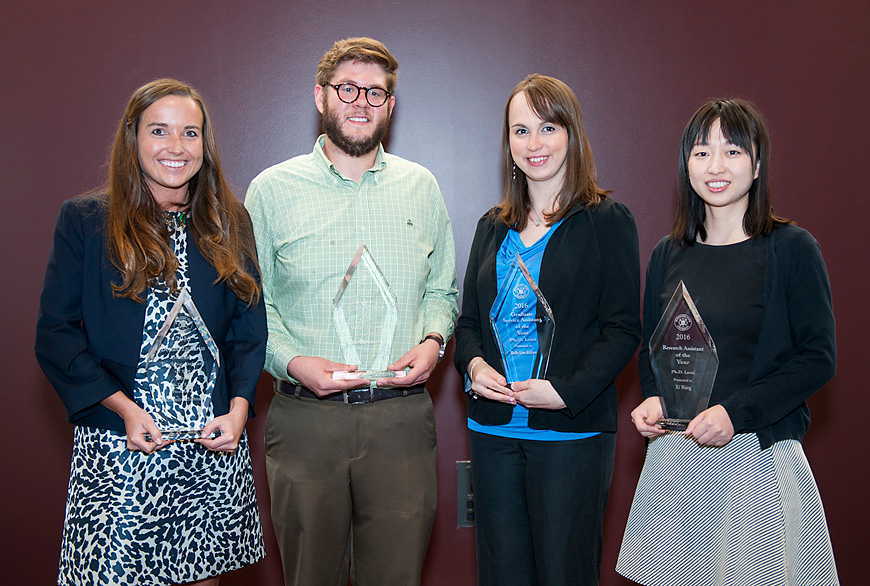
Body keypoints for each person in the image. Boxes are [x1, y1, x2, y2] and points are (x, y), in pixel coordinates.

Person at [35, 78, 266, 586]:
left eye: (190, 133)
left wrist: (239, 411)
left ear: (205, 145)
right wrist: (122, 408)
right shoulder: (87, 220)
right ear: (132, 138)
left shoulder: (231, 222)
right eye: (159, 131)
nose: (176, 147)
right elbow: (55, 334)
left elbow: (248, 332)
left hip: (211, 445)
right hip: (121, 442)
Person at [244, 37, 458, 586]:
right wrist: (292, 362)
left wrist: (433, 341)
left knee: (396, 576)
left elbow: (443, 291)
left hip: (400, 419)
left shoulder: (421, 187)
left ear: (390, 105)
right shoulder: (270, 191)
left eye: (375, 92)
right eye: (347, 89)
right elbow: (250, 307)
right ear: (321, 97)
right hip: (304, 422)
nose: (360, 102)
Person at [616, 99, 839, 585]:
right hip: (676, 459)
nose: (716, 166)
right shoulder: (667, 253)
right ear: (686, 165)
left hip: (757, 463)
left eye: (733, 151)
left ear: (757, 165)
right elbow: (652, 351)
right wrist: (653, 397)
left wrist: (737, 413)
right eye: (701, 152)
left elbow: (817, 360)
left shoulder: (791, 249)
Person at [453, 74, 641, 586]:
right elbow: (467, 321)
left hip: (571, 434)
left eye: (547, 127)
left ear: (571, 134)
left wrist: (564, 393)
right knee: (501, 574)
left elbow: (624, 329)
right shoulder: (491, 225)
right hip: (492, 430)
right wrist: (473, 365)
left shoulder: (607, 221)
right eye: (520, 130)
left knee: (565, 573)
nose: (533, 144)